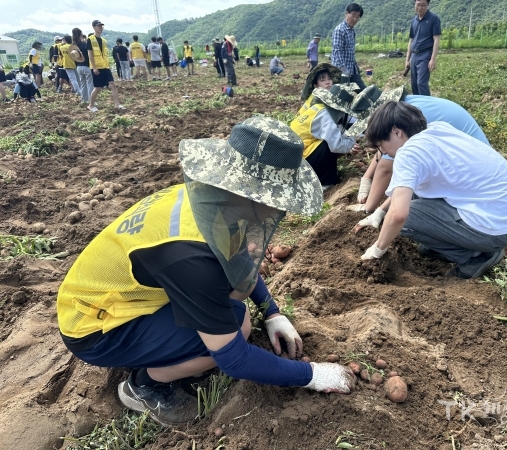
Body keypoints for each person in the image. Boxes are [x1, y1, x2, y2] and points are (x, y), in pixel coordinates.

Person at [56, 117, 356, 426]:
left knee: (235, 313)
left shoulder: (210, 197)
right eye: (277, 200)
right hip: (95, 328)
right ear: (251, 195)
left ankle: (160, 348)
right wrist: (312, 375)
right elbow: (234, 359)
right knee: (233, 329)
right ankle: (145, 384)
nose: (280, 209)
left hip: (119, 295)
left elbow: (237, 257)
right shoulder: (191, 257)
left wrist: (272, 313)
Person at [356, 101, 507, 279]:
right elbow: (404, 189)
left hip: (495, 229)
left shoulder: (408, 153)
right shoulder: (437, 129)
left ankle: (475, 258)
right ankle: (447, 240)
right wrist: (379, 213)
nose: (382, 152)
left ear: (397, 132)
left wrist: (377, 250)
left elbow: (398, 215)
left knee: (405, 219)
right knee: (405, 200)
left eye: (381, 145)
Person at [347, 87, 490, 213]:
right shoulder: (405, 107)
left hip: (474, 176)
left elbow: (386, 168)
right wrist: (367, 177)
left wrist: (369, 208)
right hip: (473, 155)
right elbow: (384, 146)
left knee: (411, 203)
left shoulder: (404, 120)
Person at [290, 83, 360, 190]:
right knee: (327, 145)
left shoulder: (319, 107)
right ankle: (324, 184)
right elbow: (336, 146)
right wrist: (352, 139)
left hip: (293, 157)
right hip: (298, 164)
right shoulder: (326, 117)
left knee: (328, 141)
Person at [87, 19, 125, 112]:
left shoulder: (104, 41)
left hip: (105, 66)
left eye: (101, 26)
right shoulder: (90, 39)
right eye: (98, 26)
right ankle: (91, 105)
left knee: (112, 84)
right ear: (94, 27)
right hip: (97, 67)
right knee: (98, 88)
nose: (101, 28)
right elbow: (90, 54)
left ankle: (117, 104)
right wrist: (94, 67)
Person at [405, 0, 441, 96]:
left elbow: (436, 39)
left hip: (425, 55)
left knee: (421, 83)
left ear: (428, 5)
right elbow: (411, 40)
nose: (420, 8)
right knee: (414, 84)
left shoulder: (434, 19)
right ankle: (417, 108)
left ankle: (426, 107)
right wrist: (407, 59)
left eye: (423, 5)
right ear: (415, 5)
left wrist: (433, 59)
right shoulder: (414, 20)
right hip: (414, 55)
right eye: (418, 5)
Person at [332, 3, 366, 91]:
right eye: (353, 15)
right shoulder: (339, 30)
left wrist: (356, 67)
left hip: (352, 70)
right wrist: (344, 70)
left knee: (364, 92)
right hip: (340, 72)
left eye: (358, 17)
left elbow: (350, 52)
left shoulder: (352, 31)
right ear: (347, 13)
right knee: (343, 96)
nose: (355, 19)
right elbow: (337, 52)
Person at [72, 28, 93, 105]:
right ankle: (91, 100)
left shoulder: (73, 46)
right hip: (86, 66)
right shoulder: (84, 44)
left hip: (78, 67)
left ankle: (84, 99)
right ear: (81, 34)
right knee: (90, 84)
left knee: (83, 84)